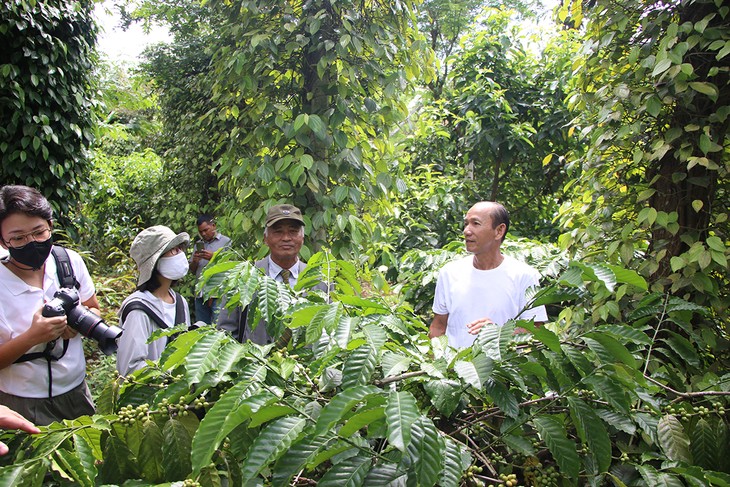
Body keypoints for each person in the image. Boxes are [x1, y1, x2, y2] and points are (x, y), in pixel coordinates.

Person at [0, 185, 98, 425]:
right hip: (20, 402)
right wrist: (32, 336)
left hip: (76, 393)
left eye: (39, 232)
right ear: (3, 241)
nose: (31, 242)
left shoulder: (69, 262)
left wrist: (76, 324)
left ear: (50, 226)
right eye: (19, 237)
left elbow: (93, 307)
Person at [429, 201, 548, 348]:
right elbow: (438, 327)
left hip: (502, 369)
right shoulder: (449, 273)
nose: (467, 231)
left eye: (476, 223)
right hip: (456, 368)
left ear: (499, 231)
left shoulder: (524, 275)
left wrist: (499, 333)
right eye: (466, 224)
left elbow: (536, 329)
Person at [217, 204, 327, 344]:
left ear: (302, 238)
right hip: (256, 363)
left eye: (293, 232)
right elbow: (226, 332)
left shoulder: (319, 280)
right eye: (278, 232)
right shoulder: (245, 277)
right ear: (265, 239)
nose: (286, 238)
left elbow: (328, 332)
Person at [117, 226, 191, 376]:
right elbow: (130, 368)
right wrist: (172, 372)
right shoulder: (138, 309)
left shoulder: (180, 302)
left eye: (180, 248)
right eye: (173, 250)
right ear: (156, 262)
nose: (180, 254)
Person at [189, 214, 231, 324]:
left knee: (219, 325)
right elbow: (192, 270)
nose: (203, 234)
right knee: (201, 326)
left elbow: (232, 265)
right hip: (200, 293)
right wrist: (195, 261)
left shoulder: (226, 242)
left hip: (218, 293)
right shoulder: (198, 244)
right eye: (200, 232)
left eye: (205, 230)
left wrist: (213, 257)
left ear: (213, 226)